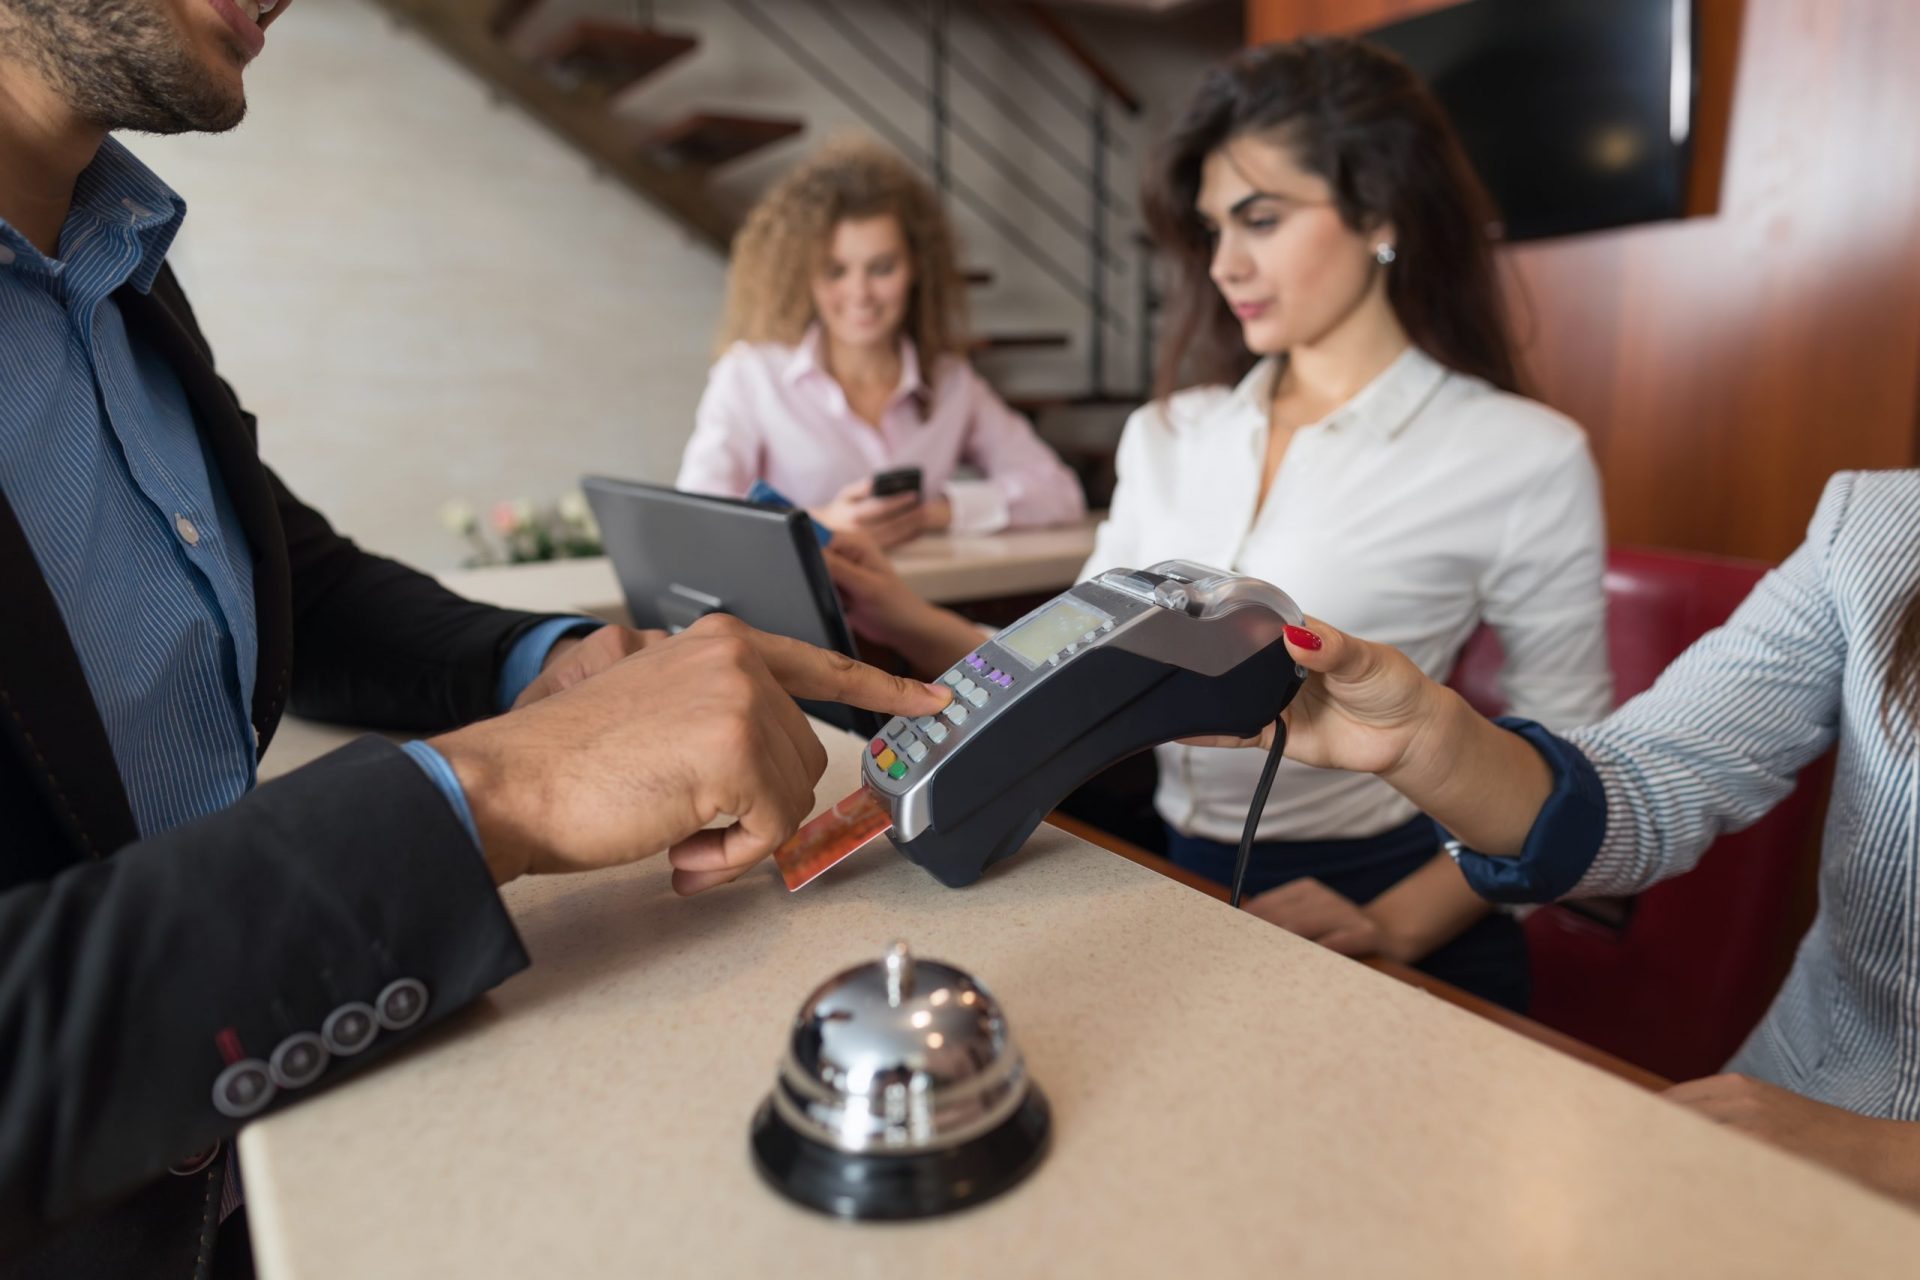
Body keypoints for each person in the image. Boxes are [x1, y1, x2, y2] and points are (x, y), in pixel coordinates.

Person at [0, 2, 948, 1273]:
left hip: (273, 1157)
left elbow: (299, 583)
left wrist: (550, 662)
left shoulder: (123, 258)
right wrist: (494, 788)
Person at [826, 38, 1612, 1011]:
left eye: (1261, 219)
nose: (1225, 263)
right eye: (1211, 228)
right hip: (1179, 873)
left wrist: (1400, 921)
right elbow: (1064, 670)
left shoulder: (1523, 454)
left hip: (1390, 900)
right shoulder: (1169, 432)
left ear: (1380, 213)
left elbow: (1573, 764)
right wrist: (900, 615)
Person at [1208, 469, 1920, 1205]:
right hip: (1790, 1109)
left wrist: (1886, 1152)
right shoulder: (1878, 524)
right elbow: (1646, 785)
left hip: (1826, 1147)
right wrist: (1424, 740)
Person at [674, 136, 1087, 548]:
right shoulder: (752, 376)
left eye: (882, 268)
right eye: (836, 271)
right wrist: (821, 523)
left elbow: (1058, 492)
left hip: (918, 589)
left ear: (916, 268)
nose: (860, 294)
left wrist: (933, 513)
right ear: (806, 275)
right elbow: (697, 517)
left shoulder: (951, 383)